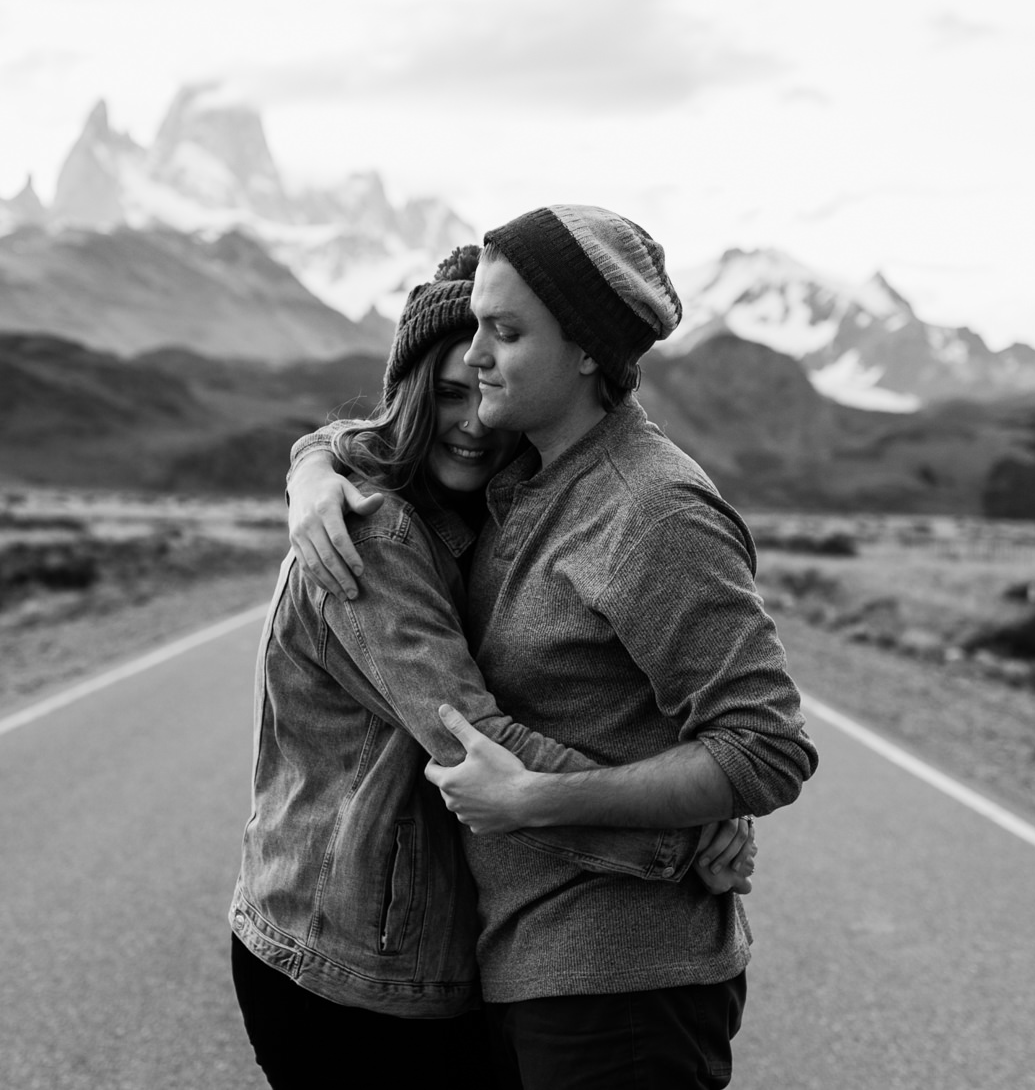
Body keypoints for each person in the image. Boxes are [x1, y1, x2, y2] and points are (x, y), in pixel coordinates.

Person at [287, 207, 818, 1089]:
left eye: (504, 331)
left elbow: (767, 747)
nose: (478, 352)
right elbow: (383, 435)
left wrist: (542, 798)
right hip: (532, 970)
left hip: (624, 984)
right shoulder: (524, 481)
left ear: (585, 351)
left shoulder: (652, 511)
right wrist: (313, 466)